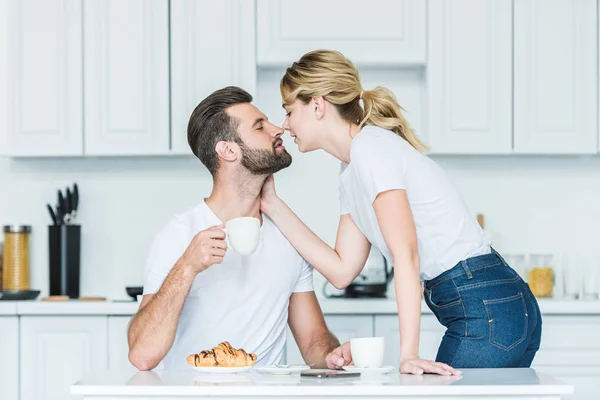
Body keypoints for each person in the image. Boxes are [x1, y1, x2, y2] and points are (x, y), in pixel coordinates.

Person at [260, 50, 542, 374]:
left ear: (318, 105)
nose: (285, 124)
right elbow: (341, 271)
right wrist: (272, 205)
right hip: (495, 305)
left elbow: (406, 254)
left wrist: (408, 355)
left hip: (485, 305)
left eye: (289, 111)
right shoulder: (351, 167)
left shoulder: (371, 150)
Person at [128, 86, 341, 371]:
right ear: (228, 150)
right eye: (260, 126)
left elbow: (313, 339)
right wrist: (187, 268)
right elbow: (143, 356)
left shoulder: (289, 237)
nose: (278, 128)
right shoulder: (179, 235)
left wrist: (331, 356)